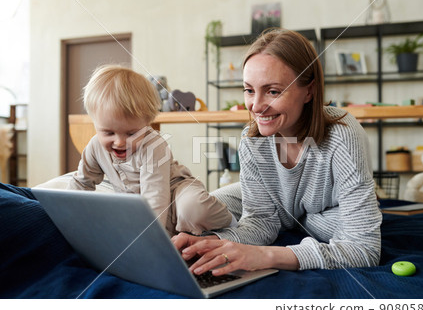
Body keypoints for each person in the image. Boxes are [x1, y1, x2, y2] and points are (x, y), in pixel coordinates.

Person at [172, 29, 382, 276]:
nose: (257, 106)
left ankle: (302, 218)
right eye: (249, 90)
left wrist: (266, 255)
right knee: (203, 208)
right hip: (278, 204)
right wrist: (215, 243)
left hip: (325, 207)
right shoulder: (251, 138)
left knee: (324, 224)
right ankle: (300, 218)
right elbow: (261, 221)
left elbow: (365, 249)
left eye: (273, 91)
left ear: (309, 91)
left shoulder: (343, 134)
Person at [68, 64, 237, 236]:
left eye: (131, 133)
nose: (119, 142)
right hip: (142, 208)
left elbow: (155, 199)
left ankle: (231, 221)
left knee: (194, 209)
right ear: (95, 122)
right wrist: (67, 216)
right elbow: (81, 184)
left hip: (174, 192)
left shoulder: (153, 145)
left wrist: (151, 242)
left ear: (147, 123)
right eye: (108, 132)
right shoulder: (95, 146)